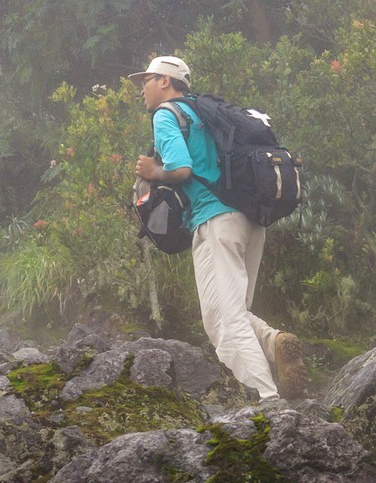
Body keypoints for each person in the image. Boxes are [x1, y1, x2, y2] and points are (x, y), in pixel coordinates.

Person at [129, 56, 307, 408]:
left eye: (146, 80)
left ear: (165, 81)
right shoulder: (203, 112)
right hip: (249, 218)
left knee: (226, 320)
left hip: (215, 219)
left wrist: (153, 170)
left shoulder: (167, 115)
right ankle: (274, 344)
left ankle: (265, 401)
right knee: (229, 311)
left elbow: (180, 169)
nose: (142, 89)